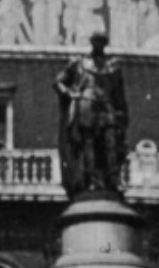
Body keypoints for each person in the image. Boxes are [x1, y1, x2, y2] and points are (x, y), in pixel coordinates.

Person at [56, 34, 130, 199]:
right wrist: (69, 93)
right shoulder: (79, 63)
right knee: (89, 143)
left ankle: (112, 180)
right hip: (86, 106)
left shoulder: (112, 66)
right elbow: (58, 82)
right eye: (97, 42)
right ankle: (92, 180)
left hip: (107, 107)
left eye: (102, 42)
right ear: (92, 43)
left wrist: (122, 113)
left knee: (110, 142)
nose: (99, 44)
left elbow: (119, 94)